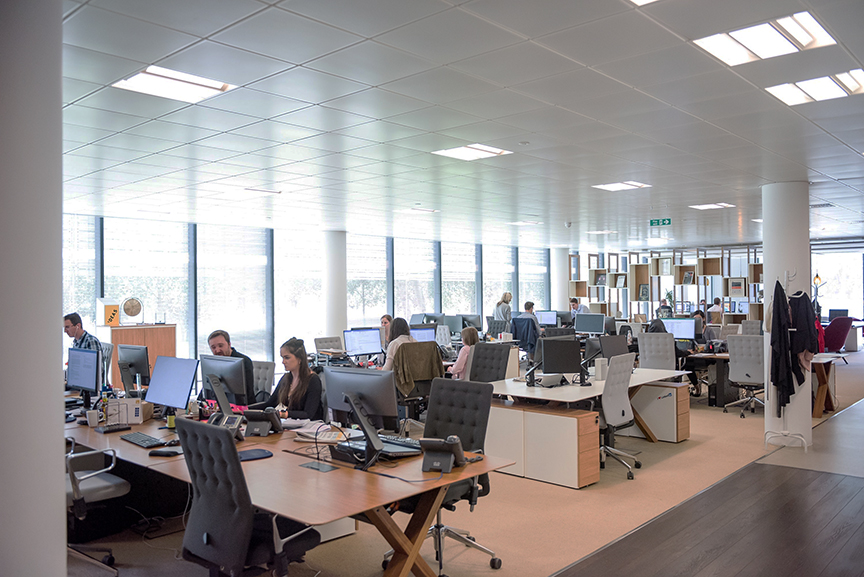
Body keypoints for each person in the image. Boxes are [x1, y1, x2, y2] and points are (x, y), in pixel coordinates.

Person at [258, 338, 323, 421]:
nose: (283, 362)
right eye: (282, 358)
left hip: (311, 428)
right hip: (292, 425)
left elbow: (308, 414)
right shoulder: (286, 378)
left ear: (300, 359)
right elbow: (270, 403)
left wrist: (282, 414)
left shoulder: (313, 380)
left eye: (287, 358)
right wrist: (243, 409)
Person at [207, 329, 255, 406]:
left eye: (220, 346)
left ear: (229, 344)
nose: (217, 350)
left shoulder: (243, 361)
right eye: (213, 347)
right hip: (220, 405)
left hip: (242, 407)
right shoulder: (214, 363)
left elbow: (247, 393)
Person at [64, 312, 105, 388]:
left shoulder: (90, 341)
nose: (65, 331)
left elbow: (95, 372)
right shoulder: (76, 342)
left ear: (78, 326)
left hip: (86, 386)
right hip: (77, 382)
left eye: (67, 327)